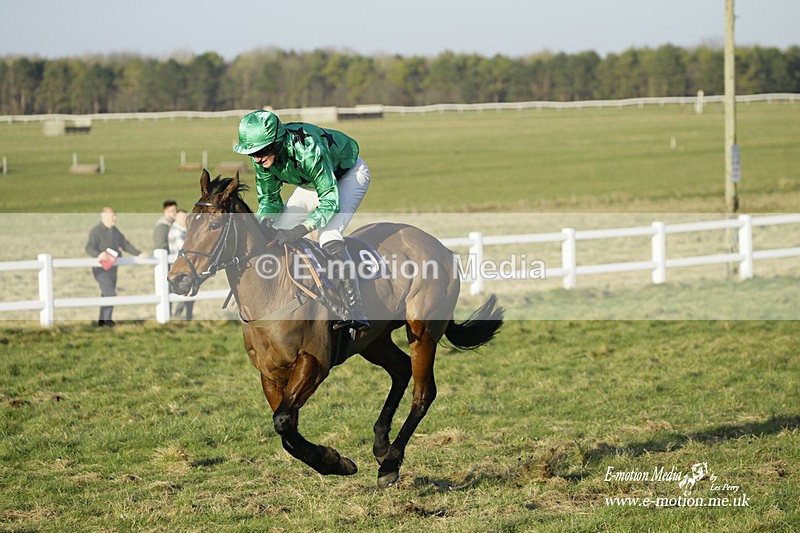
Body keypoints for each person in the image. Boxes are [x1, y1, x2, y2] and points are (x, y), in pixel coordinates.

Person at [233, 110, 371, 331]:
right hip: (311, 184)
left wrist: (301, 230)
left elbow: (329, 202)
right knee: (274, 232)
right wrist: (264, 223)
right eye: (252, 153)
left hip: (347, 176)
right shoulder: (262, 159)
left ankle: (356, 310)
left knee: (328, 235)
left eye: (261, 151)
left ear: (276, 142)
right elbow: (269, 200)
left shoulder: (307, 149)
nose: (257, 158)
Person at [85, 207, 149, 327]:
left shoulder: (115, 231)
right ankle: (107, 321)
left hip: (113, 268)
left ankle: (103, 321)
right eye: (112, 216)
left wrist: (139, 253)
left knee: (106, 294)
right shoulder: (96, 231)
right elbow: (89, 247)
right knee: (110, 293)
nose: (115, 218)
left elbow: (125, 244)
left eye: (115, 215)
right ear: (104, 217)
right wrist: (99, 254)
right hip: (101, 270)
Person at [168, 209, 193, 320]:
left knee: (188, 292)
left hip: (184, 267)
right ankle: (180, 316)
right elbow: (184, 248)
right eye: (182, 217)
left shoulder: (184, 231)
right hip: (180, 268)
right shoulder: (176, 232)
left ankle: (186, 317)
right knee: (185, 292)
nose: (184, 219)